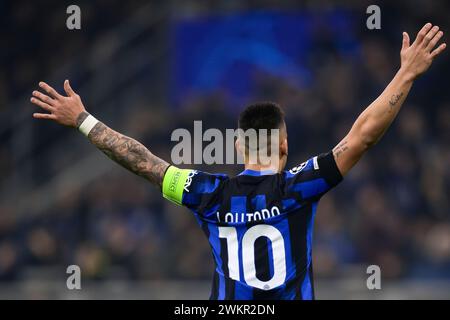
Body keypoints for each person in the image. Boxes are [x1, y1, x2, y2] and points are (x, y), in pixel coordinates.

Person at [30, 23, 446, 299]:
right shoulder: (300, 185)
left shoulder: (206, 192)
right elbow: (363, 137)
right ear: (284, 146)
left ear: (238, 150)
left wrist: (82, 119)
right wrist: (406, 73)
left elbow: (142, 161)